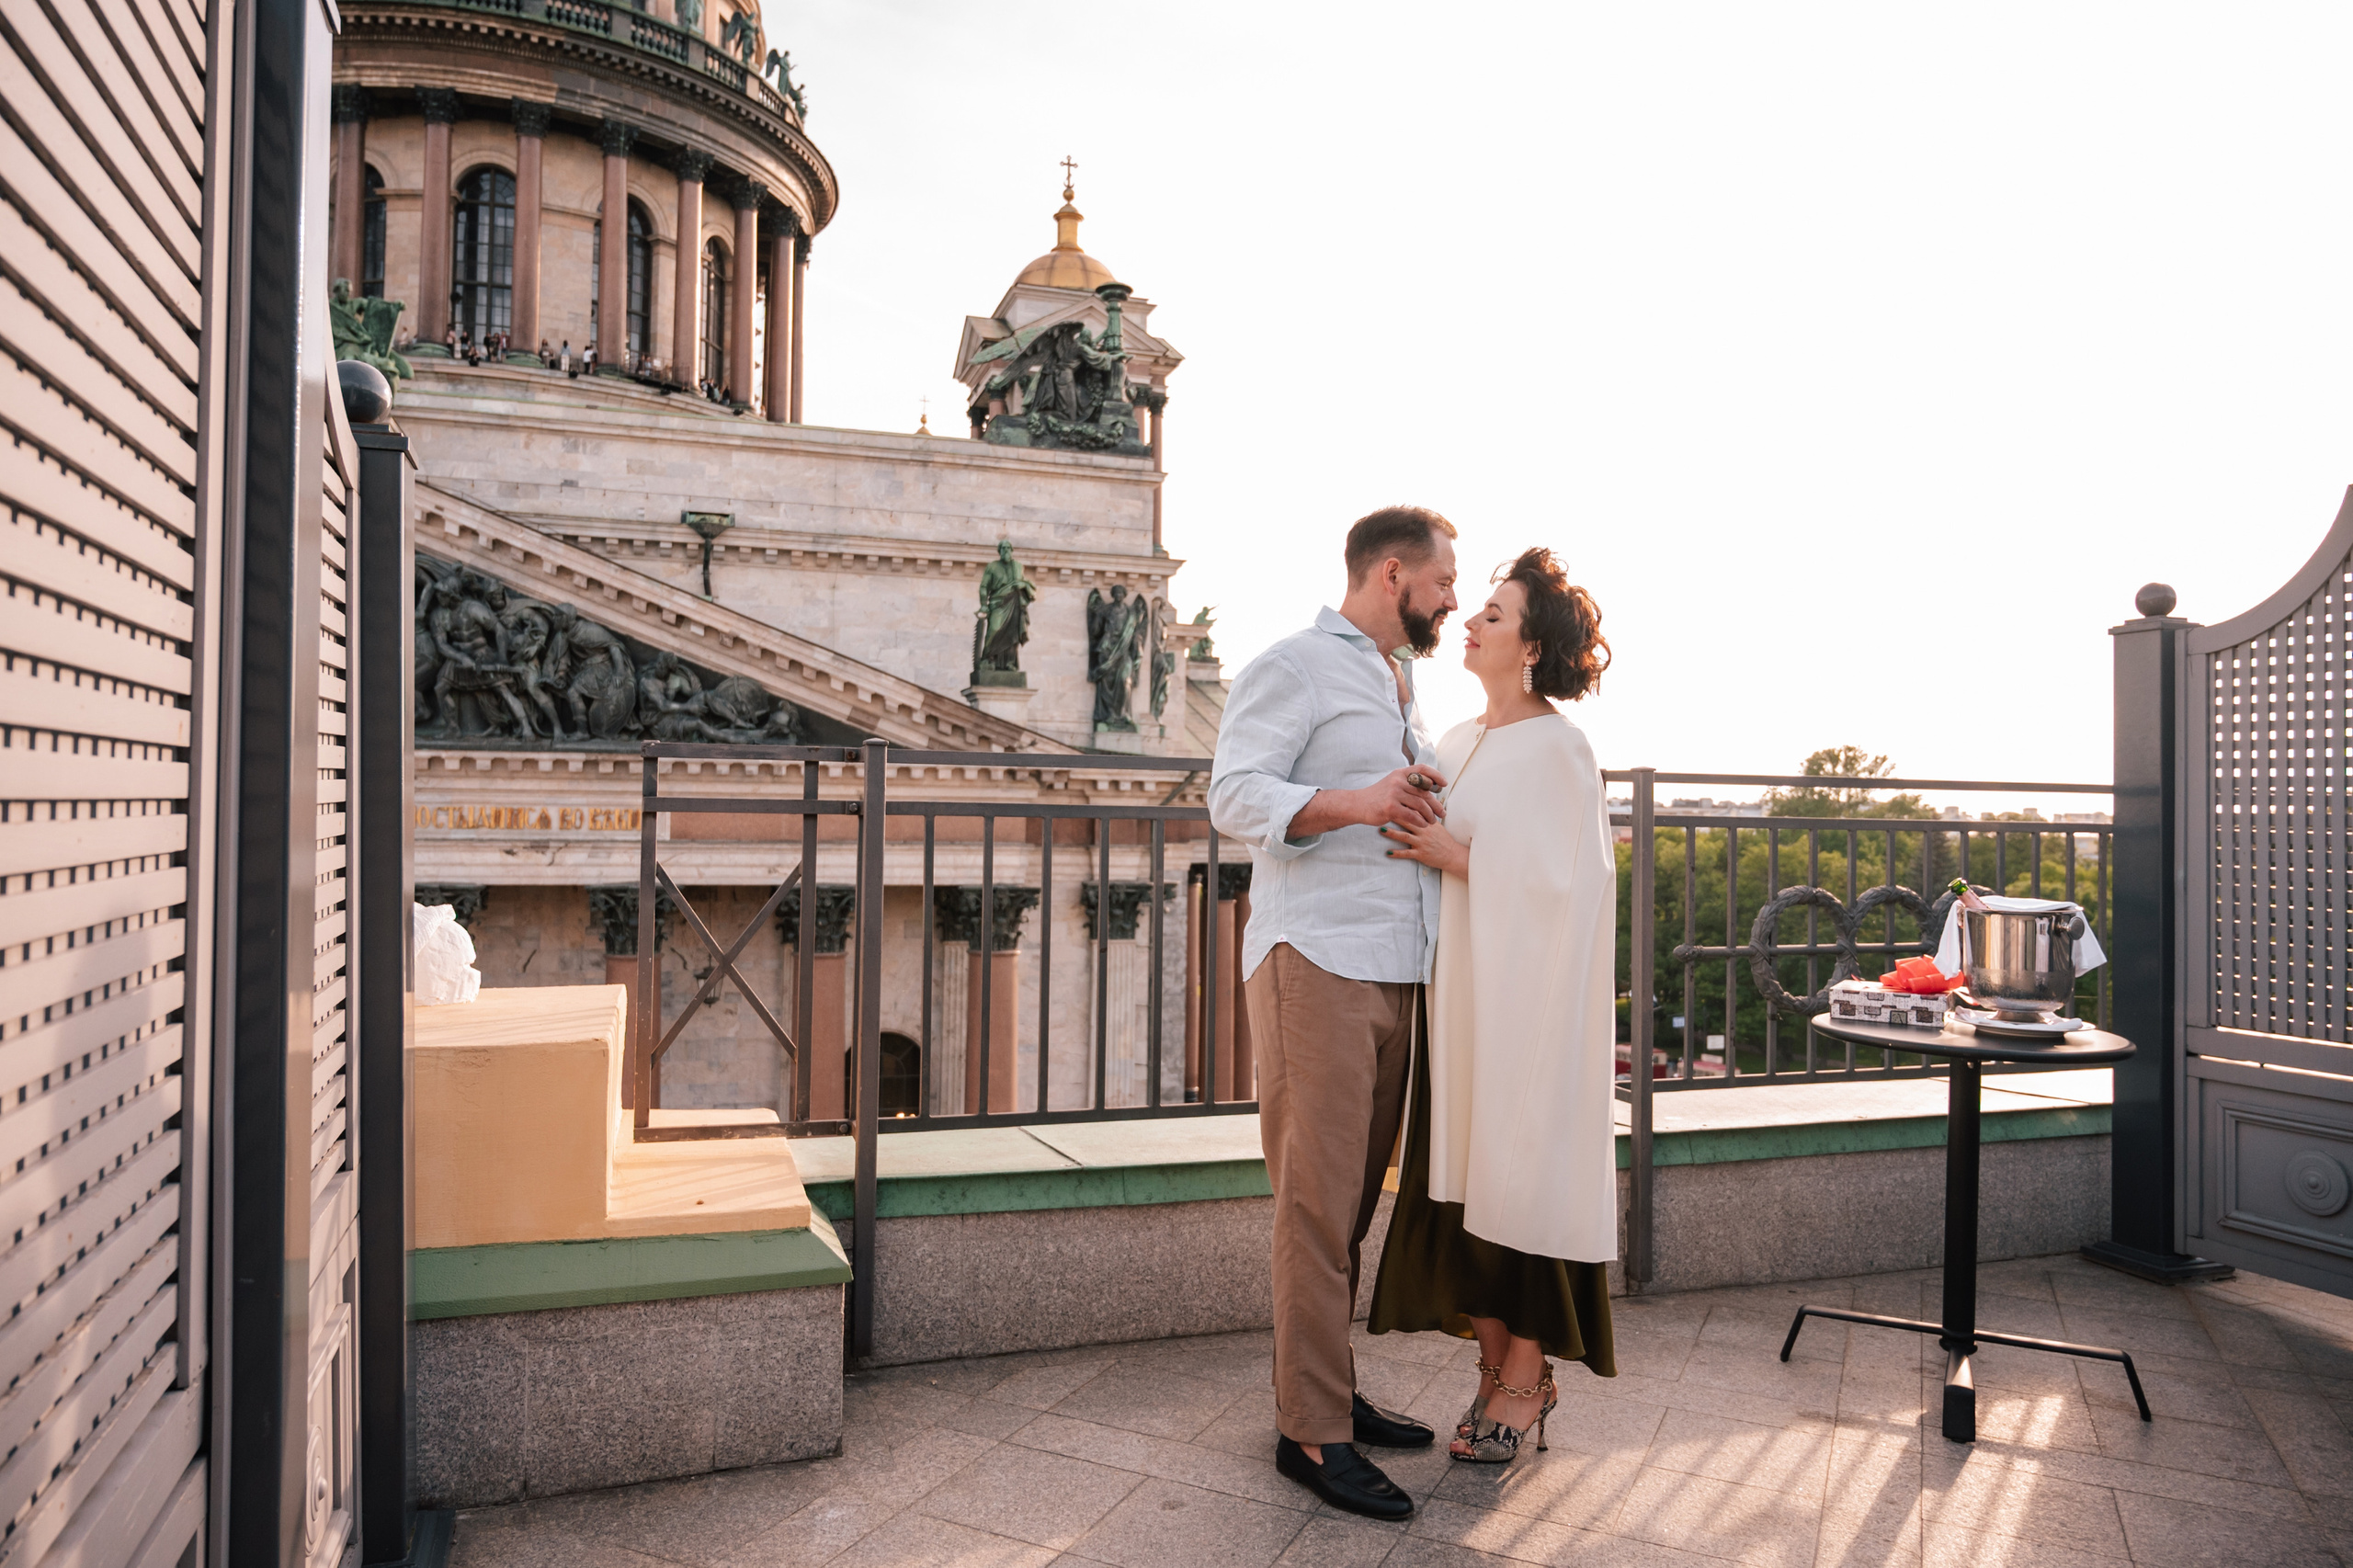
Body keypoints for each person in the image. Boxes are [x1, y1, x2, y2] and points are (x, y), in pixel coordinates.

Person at [1207, 505, 1461, 1521]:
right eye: (1444, 579)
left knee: (1353, 1200)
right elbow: (1231, 795)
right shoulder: (1295, 663)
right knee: (1315, 1204)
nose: (1451, 596)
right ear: (1390, 572)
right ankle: (1310, 1431)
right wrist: (1360, 800)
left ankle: (1328, 1389)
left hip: (1398, 964)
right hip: (1313, 960)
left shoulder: (1402, 682)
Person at [1368, 547, 1619, 1467]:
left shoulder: (1560, 747)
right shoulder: (1459, 741)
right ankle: (1495, 1369)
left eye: (1495, 615)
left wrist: (1459, 859)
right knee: (1463, 1190)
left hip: (1526, 1016)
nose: (1469, 622)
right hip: (1458, 1003)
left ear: (1531, 648)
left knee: (1517, 1186)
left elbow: (1577, 887)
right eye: (1475, 608)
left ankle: (1521, 1378)